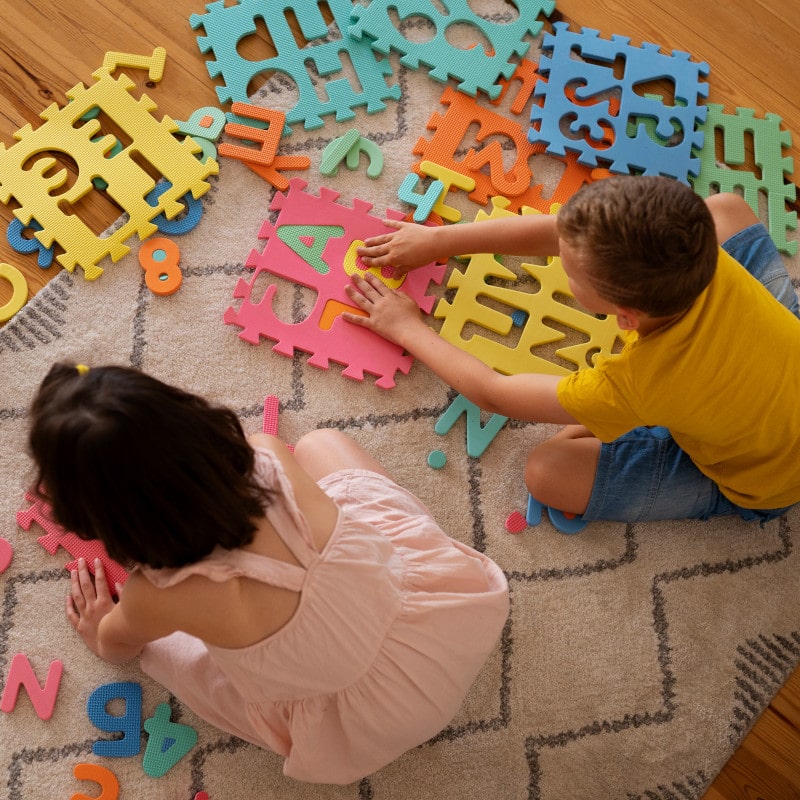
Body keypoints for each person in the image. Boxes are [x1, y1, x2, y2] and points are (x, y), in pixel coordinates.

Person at [27, 364, 509, 784]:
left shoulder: (156, 594)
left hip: (363, 725)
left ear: (103, 522)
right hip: (439, 624)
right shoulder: (268, 455)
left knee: (170, 653)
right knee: (323, 444)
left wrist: (100, 630)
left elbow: (118, 646)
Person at [344, 175, 800, 524]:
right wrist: (441, 240)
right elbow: (571, 233)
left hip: (767, 479)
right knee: (726, 209)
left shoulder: (633, 382)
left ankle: (711, 476)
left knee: (546, 472)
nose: (560, 262)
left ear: (624, 317)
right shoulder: (701, 252)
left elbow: (493, 393)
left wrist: (407, 328)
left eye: (571, 274)